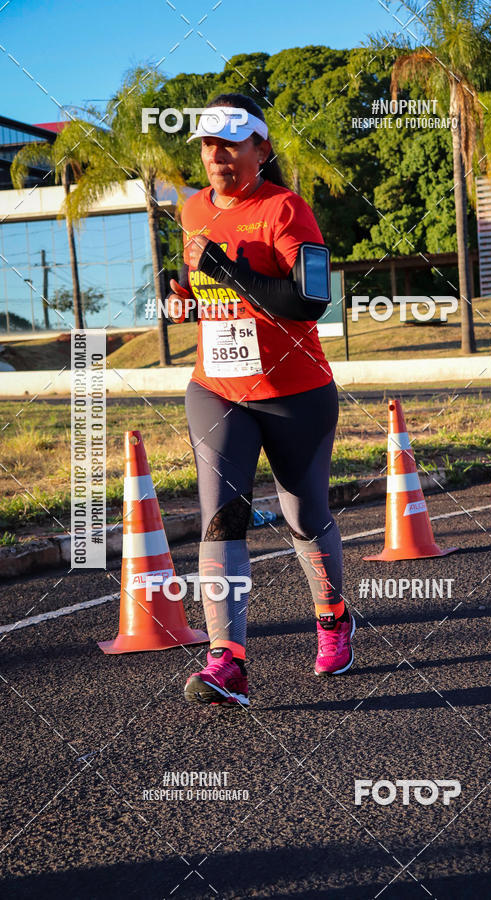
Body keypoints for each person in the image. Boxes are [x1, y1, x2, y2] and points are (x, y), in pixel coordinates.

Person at [166, 93, 355, 706]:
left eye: (229, 143)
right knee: (222, 516)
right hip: (218, 390)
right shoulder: (192, 208)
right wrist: (182, 297)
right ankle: (227, 660)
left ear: (260, 148)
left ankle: (332, 618)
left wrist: (231, 274)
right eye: (207, 144)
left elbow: (310, 302)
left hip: (296, 393)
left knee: (304, 517)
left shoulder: (286, 209)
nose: (216, 155)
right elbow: (202, 281)